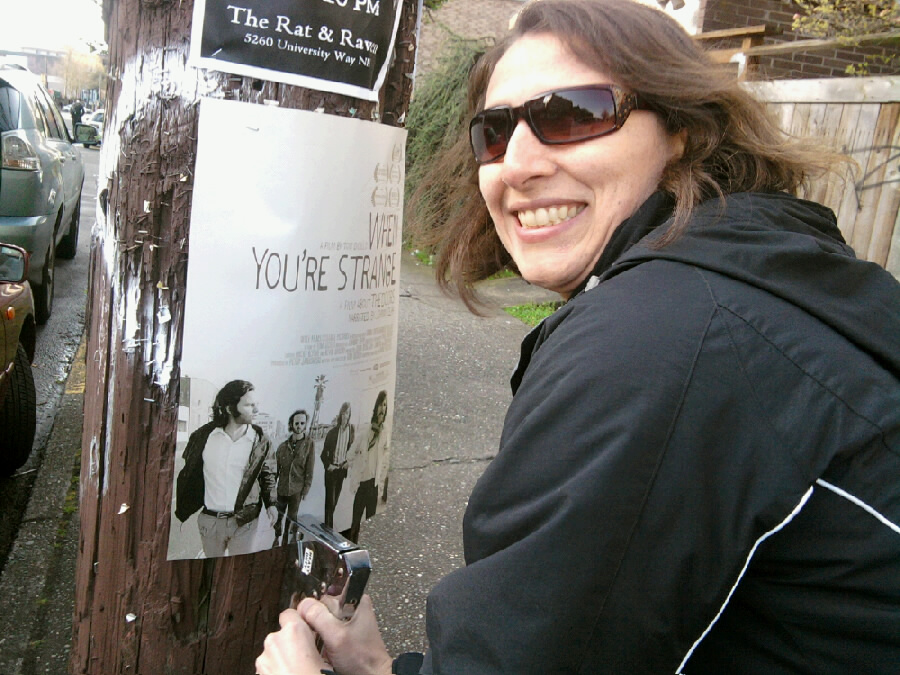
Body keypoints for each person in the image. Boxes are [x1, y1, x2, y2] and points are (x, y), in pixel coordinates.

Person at [257, 0, 900, 673]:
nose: (519, 164)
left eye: (573, 113)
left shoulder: (658, 338)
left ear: (682, 129)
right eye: (495, 133)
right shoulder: (762, 273)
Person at [175, 379, 279, 557]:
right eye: (249, 405)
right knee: (213, 571)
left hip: (245, 522)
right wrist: (184, 507)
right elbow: (189, 473)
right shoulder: (203, 437)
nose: (256, 410)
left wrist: (271, 504)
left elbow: (267, 474)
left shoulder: (261, 440)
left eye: (256, 404)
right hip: (211, 521)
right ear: (230, 408)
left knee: (238, 571)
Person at [346, 391, 389, 543]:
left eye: (385, 405)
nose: (382, 409)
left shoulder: (384, 434)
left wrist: (381, 484)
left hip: (374, 485)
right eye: (380, 405)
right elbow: (350, 455)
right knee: (355, 522)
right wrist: (356, 468)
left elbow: (384, 460)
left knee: (370, 524)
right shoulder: (364, 432)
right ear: (375, 408)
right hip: (362, 485)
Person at [274, 409, 316, 545]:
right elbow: (275, 469)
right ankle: (277, 536)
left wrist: (306, 489)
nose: (299, 426)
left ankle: (286, 540)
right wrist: (271, 488)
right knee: (279, 516)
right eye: (296, 423)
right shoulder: (282, 446)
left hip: (296, 490)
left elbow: (310, 469)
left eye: (302, 423)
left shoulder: (309, 445)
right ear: (291, 424)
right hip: (282, 488)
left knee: (292, 518)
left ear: (305, 425)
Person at [320, 402, 355, 529]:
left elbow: (353, 451)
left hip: (341, 470)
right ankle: (329, 529)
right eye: (343, 413)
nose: (345, 416)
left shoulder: (352, 430)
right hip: (331, 470)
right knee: (329, 502)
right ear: (340, 414)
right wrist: (328, 465)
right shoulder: (332, 432)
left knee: (334, 502)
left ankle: (326, 525)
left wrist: (348, 463)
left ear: (350, 415)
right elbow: (323, 454)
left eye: (347, 413)